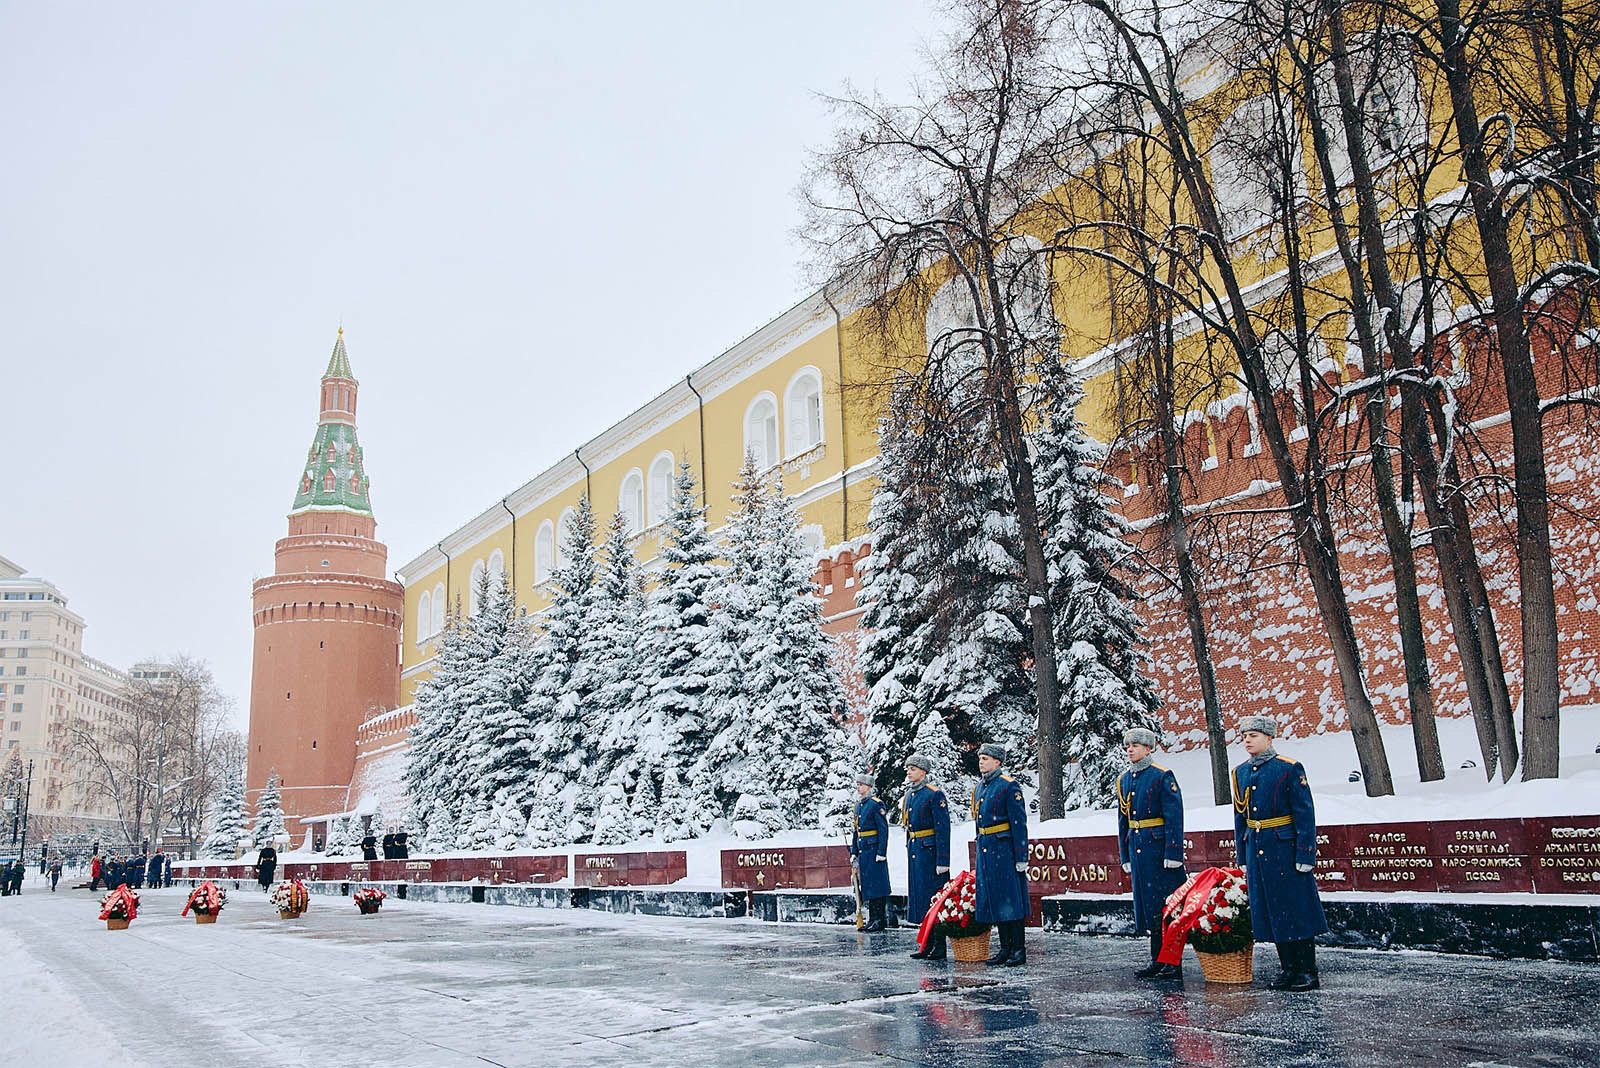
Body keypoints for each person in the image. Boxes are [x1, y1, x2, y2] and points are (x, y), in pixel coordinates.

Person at [1233, 715, 1327, 991]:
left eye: (1254, 735)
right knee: (1273, 910)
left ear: (1269, 738)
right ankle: (1288, 969)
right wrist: (1243, 855)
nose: (1248, 740)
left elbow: (1304, 814)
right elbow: (1241, 817)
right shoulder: (1240, 772)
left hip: (1284, 848)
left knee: (1296, 908)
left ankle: (1307, 970)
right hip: (1258, 849)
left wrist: (1306, 854)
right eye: (1245, 736)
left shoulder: (1288, 768)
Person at [1116, 726, 1186, 980]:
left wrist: (1174, 852)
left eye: (1135, 746)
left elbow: (1173, 816)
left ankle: (1173, 963)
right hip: (1139, 850)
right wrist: (1124, 855)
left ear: (1148, 748)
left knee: (1167, 908)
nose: (1130, 750)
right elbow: (1123, 821)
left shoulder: (1161, 776)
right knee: (1150, 909)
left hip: (1159, 852)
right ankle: (1157, 959)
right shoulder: (1125, 780)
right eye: (1127, 747)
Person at [972, 742, 1029, 966]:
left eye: (985, 758)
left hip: (1004, 850)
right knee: (997, 900)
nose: (981, 762)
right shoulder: (980, 788)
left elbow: (1019, 823)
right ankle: (1004, 948)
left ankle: (1018, 948)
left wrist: (1021, 856)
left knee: (1011, 900)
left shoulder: (1008, 786)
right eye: (980, 758)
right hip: (987, 848)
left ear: (997, 762)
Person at [902, 753, 952, 961]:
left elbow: (942, 829)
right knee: (922, 899)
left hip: (930, 852)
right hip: (916, 850)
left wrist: (943, 860)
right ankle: (927, 944)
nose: (909, 772)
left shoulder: (934, 794)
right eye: (908, 769)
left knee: (934, 899)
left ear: (923, 772)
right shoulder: (910, 795)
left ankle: (938, 946)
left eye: (912, 769)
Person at [851, 772, 891, 932]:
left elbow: (883, 830)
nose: (858, 787)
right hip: (864, 851)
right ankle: (872, 919)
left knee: (877, 886)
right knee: (867, 885)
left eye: (861, 785)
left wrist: (881, 851)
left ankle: (879, 919)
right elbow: (856, 830)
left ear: (869, 787)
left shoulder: (876, 804)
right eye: (858, 785)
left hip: (874, 850)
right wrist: (854, 851)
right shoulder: (858, 805)